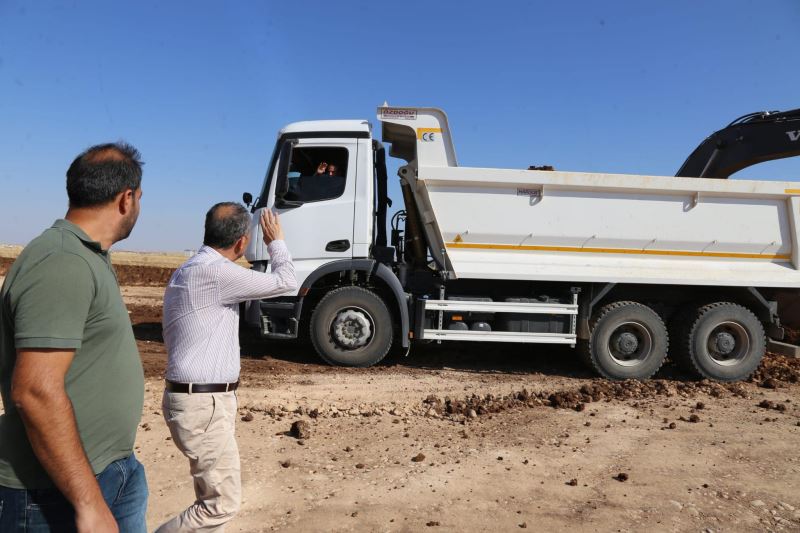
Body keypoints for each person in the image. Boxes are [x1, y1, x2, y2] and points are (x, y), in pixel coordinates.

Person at [0, 142, 148, 532]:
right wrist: (89, 502)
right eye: (140, 199)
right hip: (56, 492)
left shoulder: (89, 255)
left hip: (107, 470)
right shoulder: (62, 260)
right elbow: (34, 391)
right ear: (126, 198)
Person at [156, 203, 296, 532]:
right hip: (204, 405)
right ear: (241, 243)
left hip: (197, 402)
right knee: (220, 505)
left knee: (210, 501)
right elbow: (286, 280)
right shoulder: (217, 273)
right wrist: (276, 240)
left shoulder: (189, 269)